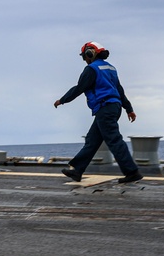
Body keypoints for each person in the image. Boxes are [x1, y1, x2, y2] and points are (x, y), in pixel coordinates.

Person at [54, 42, 142, 184]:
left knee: (114, 140)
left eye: (84, 56)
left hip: (104, 108)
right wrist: (129, 108)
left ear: (90, 53)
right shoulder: (111, 68)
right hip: (114, 107)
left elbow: (79, 88)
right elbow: (119, 90)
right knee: (92, 140)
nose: (85, 60)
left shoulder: (91, 69)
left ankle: (132, 172)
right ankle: (77, 170)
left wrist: (62, 100)